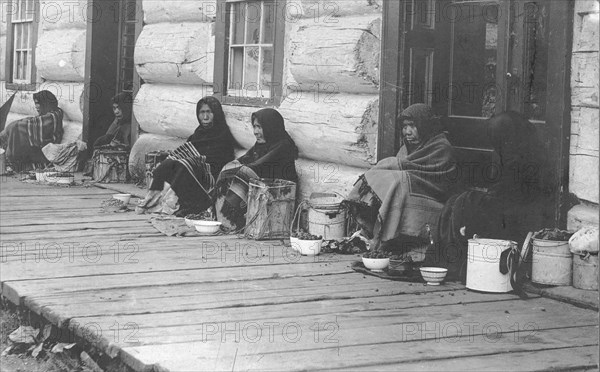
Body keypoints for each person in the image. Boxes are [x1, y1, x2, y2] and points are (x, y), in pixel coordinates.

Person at [427, 111, 551, 281]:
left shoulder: (526, 156)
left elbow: (518, 193)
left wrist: (487, 196)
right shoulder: (516, 150)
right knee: (458, 201)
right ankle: (451, 256)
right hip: (511, 206)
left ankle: (455, 259)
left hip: (524, 215)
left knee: (466, 202)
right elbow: (507, 188)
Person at [344, 103, 457, 252]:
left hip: (434, 199)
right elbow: (404, 168)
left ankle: (384, 239)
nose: (407, 132)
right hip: (411, 193)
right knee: (382, 178)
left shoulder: (441, 147)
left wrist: (392, 165)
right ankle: (371, 231)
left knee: (399, 182)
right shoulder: (407, 148)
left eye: (412, 126)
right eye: (404, 127)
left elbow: (434, 181)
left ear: (426, 125)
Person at [138, 96, 235, 217]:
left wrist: (195, 161)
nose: (205, 117)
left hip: (211, 174)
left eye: (209, 112)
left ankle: (193, 206)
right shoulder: (198, 133)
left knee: (183, 166)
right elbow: (187, 150)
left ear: (216, 113)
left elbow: (221, 159)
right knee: (167, 164)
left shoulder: (222, 134)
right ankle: (155, 201)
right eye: (202, 112)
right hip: (195, 167)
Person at [215, 108, 298, 229]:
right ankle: (223, 218)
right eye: (254, 127)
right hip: (262, 186)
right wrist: (229, 169)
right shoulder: (260, 145)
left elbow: (259, 165)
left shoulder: (283, 145)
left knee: (244, 173)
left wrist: (239, 170)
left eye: (259, 127)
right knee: (229, 168)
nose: (255, 132)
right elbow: (244, 160)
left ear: (271, 127)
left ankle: (232, 220)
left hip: (278, 191)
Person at [0, 90, 63, 168]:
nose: (36, 106)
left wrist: (11, 129)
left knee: (16, 128)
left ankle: (13, 162)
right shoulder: (50, 113)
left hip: (46, 152)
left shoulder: (53, 117)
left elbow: (27, 125)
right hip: (40, 149)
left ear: (45, 103)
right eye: (35, 103)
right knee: (16, 128)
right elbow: (32, 122)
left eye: (38, 103)